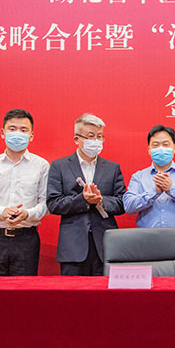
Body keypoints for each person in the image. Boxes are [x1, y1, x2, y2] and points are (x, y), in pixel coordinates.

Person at [0, 109, 49, 276]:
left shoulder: (41, 165)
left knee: (24, 290)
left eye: (23, 130)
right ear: (3, 132)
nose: (18, 134)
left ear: (31, 136)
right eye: (12, 129)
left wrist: (27, 214)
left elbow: (47, 204)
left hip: (26, 239)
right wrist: (2, 211)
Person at [47, 113, 126, 276]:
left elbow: (121, 202)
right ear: (77, 139)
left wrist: (101, 201)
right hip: (73, 246)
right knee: (73, 291)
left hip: (105, 245)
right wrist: (82, 199)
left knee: (104, 291)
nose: (96, 141)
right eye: (91, 136)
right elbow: (53, 203)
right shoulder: (59, 166)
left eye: (100, 136)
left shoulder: (112, 168)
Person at [123, 125, 175, 228]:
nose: (161, 149)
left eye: (165, 144)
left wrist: (171, 190)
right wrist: (153, 193)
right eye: (155, 145)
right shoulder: (138, 177)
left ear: (174, 148)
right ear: (149, 150)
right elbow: (129, 207)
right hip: (147, 236)